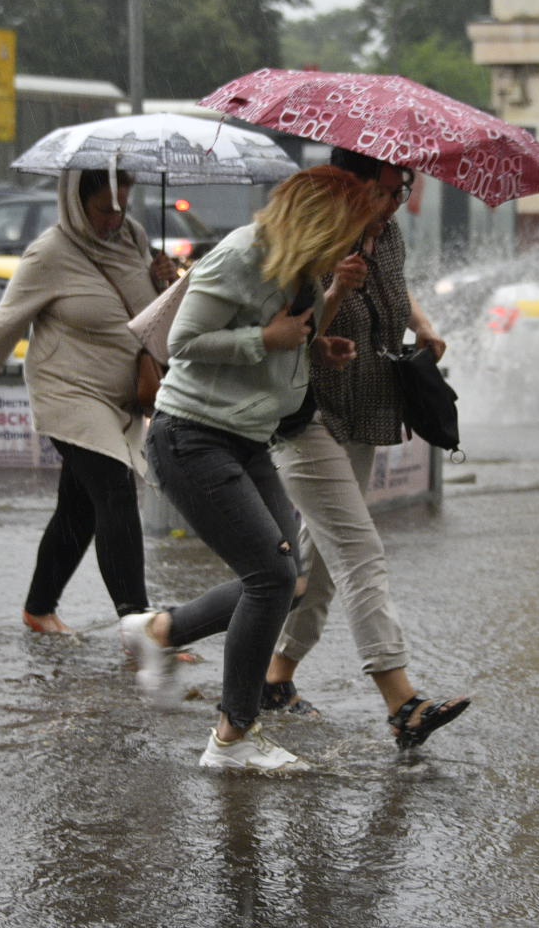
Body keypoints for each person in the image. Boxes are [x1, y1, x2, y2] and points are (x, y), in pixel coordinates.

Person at [119, 165, 378, 772]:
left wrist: (316, 346)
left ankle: (158, 632)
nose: (356, 245)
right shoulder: (239, 256)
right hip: (192, 437)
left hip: (248, 437)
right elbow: (180, 341)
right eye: (350, 230)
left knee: (289, 581)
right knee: (271, 577)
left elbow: (285, 336)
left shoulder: (305, 269)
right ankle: (233, 737)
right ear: (319, 221)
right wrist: (268, 339)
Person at [262, 147, 470, 751]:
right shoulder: (310, 236)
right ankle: (402, 701)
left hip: (366, 408)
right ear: (351, 186)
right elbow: (282, 336)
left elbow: (397, 294)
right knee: (359, 550)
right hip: (307, 412)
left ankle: (274, 677)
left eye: (402, 189)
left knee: (322, 562)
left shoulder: (388, 235)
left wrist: (423, 325)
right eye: (385, 190)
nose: (394, 201)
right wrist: (333, 293)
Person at [0, 170, 177, 635]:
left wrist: (163, 280)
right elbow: (3, 327)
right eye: (104, 209)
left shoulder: (135, 239)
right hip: (67, 392)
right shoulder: (49, 254)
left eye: (122, 207)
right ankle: (141, 630)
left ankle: (39, 609)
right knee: (115, 489)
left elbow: (148, 318)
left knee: (79, 508)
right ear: (75, 203)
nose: (114, 219)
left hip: (119, 396)